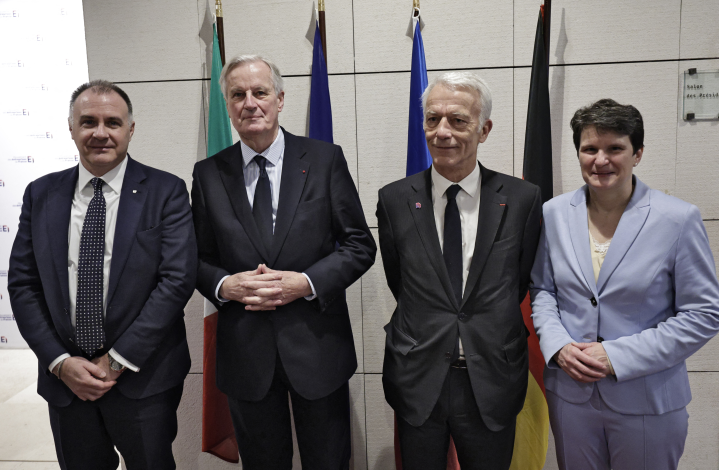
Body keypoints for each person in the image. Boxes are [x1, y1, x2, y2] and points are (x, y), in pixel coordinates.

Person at [191, 55, 375, 470]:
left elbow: (360, 245)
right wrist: (225, 287)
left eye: (260, 92)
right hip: (245, 354)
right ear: (228, 104)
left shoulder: (325, 160)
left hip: (317, 349)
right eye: (238, 94)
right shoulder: (207, 175)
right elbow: (196, 257)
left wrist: (305, 282)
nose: (250, 102)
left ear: (280, 99)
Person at [8, 80, 197, 470]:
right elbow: (24, 285)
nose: (100, 133)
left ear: (130, 129)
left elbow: (176, 280)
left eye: (112, 122)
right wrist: (59, 361)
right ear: (71, 127)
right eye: (88, 121)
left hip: (143, 379)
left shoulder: (167, 191)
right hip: (66, 383)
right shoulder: (40, 194)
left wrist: (117, 360)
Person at [530, 98, 719, 470]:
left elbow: (703, 314)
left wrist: (616, 356)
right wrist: (558, 346)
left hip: (647, 400)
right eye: (590, 149)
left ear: (638, 153)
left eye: (615, 148)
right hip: (571, 396)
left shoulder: (677, 219)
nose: (601, 160)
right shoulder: (552, 213)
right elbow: (543, 291)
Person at [376, 72, 542, 470]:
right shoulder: (395, 199)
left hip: (490, 378)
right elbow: (401, 282)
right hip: (419, 378)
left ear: (484, 129)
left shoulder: (522, 199)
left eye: (458, 120)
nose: (442, 131)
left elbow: (519, 282)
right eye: (432, 119)